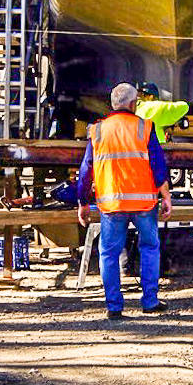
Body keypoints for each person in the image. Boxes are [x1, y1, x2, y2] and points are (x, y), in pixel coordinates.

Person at [77, 82, 172, 319]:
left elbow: (86, 169)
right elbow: (158, 165)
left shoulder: (98, 130)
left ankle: (114, 308)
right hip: (143, 203)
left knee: (109, 253)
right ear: (133, 104)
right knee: (149, 248)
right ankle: (149, 301)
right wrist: (166, 195)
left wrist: (82, 201)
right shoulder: (144, 128)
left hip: (112, 203)